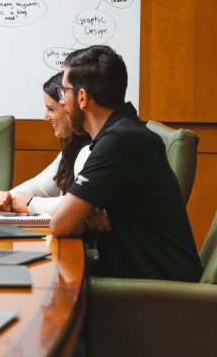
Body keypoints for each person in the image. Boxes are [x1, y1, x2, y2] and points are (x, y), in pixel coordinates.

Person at [51, 45, 202, 281]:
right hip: (149, 282)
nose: (61, 102)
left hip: (159, 295)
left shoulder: (118, 141)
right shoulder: (125, 130)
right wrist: (87, 208)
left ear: (81, 97)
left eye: (63, 92)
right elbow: (70, 220)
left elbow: (60, 224)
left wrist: (82, 210)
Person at [0, 72, 91, 213]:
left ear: (71, 107)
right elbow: (40, 187)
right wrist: (8, 196)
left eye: (51, 109)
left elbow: (78, 204)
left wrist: (30, 204)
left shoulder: (89, 151)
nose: (45, 118)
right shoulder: (71, 150)